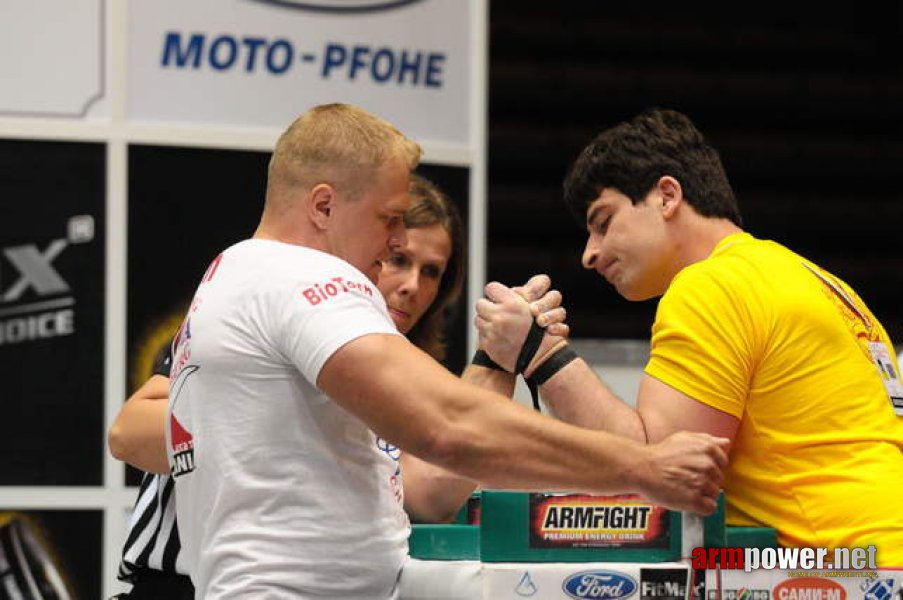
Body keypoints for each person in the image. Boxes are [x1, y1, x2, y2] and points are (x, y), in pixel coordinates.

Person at [166, 102, 728, 598]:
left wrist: (502, 357)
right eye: (389, 220)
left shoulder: (233, 273)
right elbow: (446, 428)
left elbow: (428, 486)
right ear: (322, 207)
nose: (393, 245)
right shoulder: (301, 277)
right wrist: (642, 465)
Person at [476, 107, 903, 566]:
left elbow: (654, 471)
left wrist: (540, 354)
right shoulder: (822, 282)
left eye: (603, 222)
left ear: (666, 195)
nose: (589, 254)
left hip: (847, 568)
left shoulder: (712, 284)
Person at [106, 173, 557, 598]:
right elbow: (128, 433)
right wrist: (286, 411)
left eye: (432, 272)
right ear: (370, 248)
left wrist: (499, 356)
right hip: (180, 584)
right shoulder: (256, 315)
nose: (412, 286)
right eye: (399, 261)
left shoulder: (408, 373)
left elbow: (428, 492)